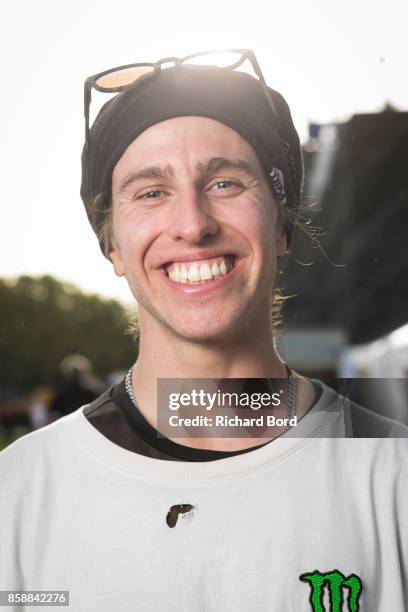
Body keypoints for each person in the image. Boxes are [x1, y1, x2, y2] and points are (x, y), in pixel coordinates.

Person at [0, 50, 407, 611]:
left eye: (224, 183)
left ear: (282, 224)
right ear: (112, 245)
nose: (192, 224)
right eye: (150, 192)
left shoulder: (396, 476)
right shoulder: (17, 493)